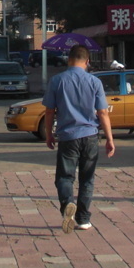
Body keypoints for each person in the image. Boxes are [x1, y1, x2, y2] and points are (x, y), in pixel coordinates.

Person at [42, 44, 115, 233]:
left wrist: (49, 134)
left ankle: (68, 205)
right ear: (87, 61)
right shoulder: (94, 82)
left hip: (68, 137)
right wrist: (110, 139)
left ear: (69, 59)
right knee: (87, 179)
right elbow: (103, 113)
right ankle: (83, 219)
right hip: (90, 136)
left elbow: (49, 111)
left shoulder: (57, 81)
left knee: (65, 177)